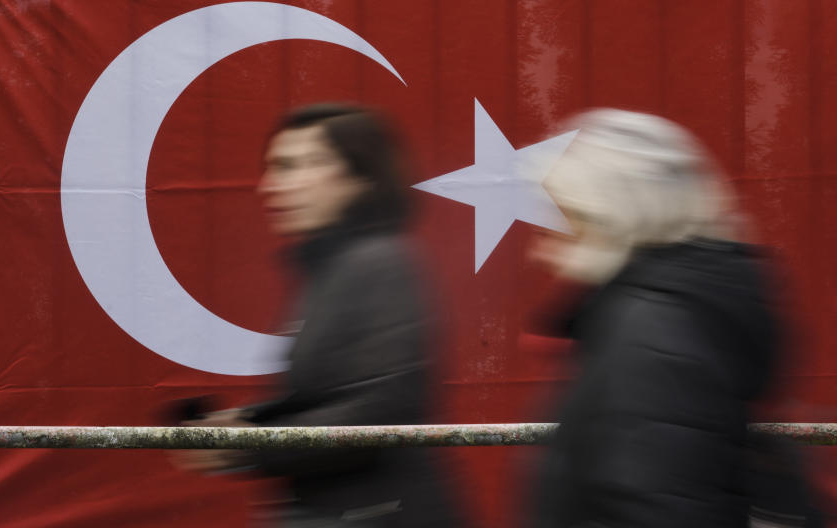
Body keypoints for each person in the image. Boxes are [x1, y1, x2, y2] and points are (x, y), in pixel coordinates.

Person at [525, 109, 817, 527]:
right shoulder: (661, 315)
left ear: (612, 218)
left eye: (561, 224)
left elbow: (659, 503)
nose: (539, 252)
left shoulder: (649, 333)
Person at [178, 103, 458, 527]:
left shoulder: (379, 263)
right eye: (274, 167)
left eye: (293, 166)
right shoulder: (333, 267)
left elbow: (379, 412)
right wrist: (248, 423)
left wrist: (248, 444)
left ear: (358, 176)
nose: (270, 186)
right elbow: (331, 399)